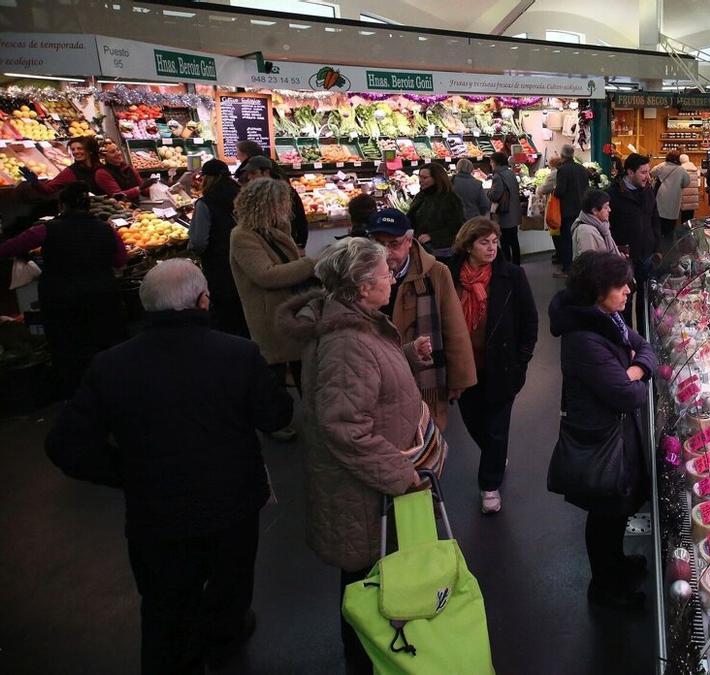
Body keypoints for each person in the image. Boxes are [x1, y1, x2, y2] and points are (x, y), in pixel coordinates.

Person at [45, 259, 293, 675]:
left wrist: (124, 473)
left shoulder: (111, 365)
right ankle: (225, 641)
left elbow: (66, 446)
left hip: (155, 513)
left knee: (164, 608)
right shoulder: (237, 354)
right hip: (231, 503)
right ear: (201, 300)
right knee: (230, 587)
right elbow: (276, 417)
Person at [275, 237, 440, 675]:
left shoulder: (356, 325)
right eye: (385, 273)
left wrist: (406, 356)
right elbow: (343, 426)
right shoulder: (347, 340)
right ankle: (371, 662)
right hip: (364, 497)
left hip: (368, 491)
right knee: (368, 589)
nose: (391, 278)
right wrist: (402, 472)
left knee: (374, 583)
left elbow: (362, 384)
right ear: (362, 287)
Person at [547, 250, 657, 608]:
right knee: (605, 511)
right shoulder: (584, 338)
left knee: (616, 510)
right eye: (619, 285)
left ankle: (617, 564)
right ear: (597, 291)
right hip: (600, 436)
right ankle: (607, 589)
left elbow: (642, 347)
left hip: (613, 429)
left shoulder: (608, 320)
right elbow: (629, 397)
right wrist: (637, 376)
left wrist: (636, 368)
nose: (628, 290)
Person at [0, 182, 126, 394]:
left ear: (61, 206)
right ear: (88, 205)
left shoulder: (44, 230)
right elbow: (120, 260)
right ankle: (108, 389)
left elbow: (7, 249)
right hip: (102, 296)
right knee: (102, 345)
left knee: (68, 351)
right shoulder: (106, 229)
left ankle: (74, 394)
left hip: (61, 300)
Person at [448, 218, 538, 514]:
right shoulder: (449, 276)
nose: (491, 248)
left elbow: (529, 320)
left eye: (495, 241)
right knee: (475, 423)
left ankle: (489, 485)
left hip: (501, 366)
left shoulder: (511, 276)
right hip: (463, 367)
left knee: (496, 427)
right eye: (484, 242)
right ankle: (496, 456)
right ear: (468, 245)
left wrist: (521, 358)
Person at [368, 208, 476, 431]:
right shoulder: (362, 274)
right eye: (378, 243)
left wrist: (459, 378)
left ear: (409, 241)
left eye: (393, 244)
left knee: (424, 436)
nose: (385, 252)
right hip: (378, 378)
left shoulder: (436, 273)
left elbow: (454, 328)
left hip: (423, 377)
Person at [230, 176, 316, 441]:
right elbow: (266, 275)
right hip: (269, 313)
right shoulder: (242, 235)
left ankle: (314, 416)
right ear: (266, 205)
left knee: (305, 365)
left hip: (290, 308)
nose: (285, 209)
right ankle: (275, 423)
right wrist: (312, 263)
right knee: (273, 373)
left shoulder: (275, 227)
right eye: (280, 203)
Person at [189, 159, 249, 338]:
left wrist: (193, 252)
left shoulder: (205, 204)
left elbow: (198, 241)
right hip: (246, 260)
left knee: (225, 317)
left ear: (208, 178)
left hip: (219, 266)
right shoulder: (244, 196)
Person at [607, 152, 660, 330]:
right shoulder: (613, 193)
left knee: (646, 297)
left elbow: (654, 217)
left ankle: (645, 334)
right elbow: (608, 226)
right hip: (625, 255)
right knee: (625, 298)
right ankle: (627, 335)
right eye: (643, 172)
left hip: (646, 252)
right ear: (630, 172)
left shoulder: (648, 190)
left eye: (648, 172)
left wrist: (657, 246)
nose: (648, 176)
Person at [238, 155, 309, 250]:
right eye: (249, 173)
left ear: (266, 172)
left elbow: (300, 219)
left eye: (253, 173)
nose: (250, 177)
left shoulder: (285, 191)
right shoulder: (254, 192)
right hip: (266, 244)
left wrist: (300, 244)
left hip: (286, 244)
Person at [23, 135, 124, 197]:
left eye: (80, 149)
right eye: (73, 149)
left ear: (90, 151)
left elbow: (118, 194)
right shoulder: (71, 171)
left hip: (109, 211)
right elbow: (49, 189)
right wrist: (35, 182)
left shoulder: (100, 170)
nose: (76, 152)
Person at [409, 161, 466, 258]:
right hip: (420, 248)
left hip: (441, 251)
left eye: (425, 177)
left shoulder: (450, 199)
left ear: (437, 179)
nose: (420, 180)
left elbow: (457, 227)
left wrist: (432, 236)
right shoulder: (421, 195)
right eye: (420, 177)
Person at [553, 144, 590, 273]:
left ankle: (567, 267)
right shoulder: (582, 169)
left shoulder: (563, 170)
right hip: (582, 209)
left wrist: (554, 191)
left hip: (567, 210)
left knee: (567, 239)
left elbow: (560, 191)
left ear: (562, 156)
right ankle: (580, 266)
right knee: (579, 239)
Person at [488, 152, 522, 265]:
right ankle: (517, 264)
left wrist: (489, 193)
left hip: (505, 213)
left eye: (492, 162)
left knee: (505, 242)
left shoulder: (498, 176)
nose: (491, 164)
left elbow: (496, 195)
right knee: (514, 240)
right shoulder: (510, 173)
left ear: (496, 163)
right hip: (514, 212)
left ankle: (507, 265)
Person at [651, 151, 691, 238]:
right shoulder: (681, 170)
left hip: (661, 196)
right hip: (674, 198)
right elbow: (687, 182)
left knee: (658, 221)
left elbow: (652, 172)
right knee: (670, 225)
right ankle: (668, 243)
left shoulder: (662, 165)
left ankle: (658, 243)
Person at [537, 156, 566, 276]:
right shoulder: (564, 172)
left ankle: (560, 254)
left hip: (554, 205)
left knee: (555, 231)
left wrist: (538, 189)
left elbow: (544, 189)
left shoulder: (553, 174)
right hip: (563, 206)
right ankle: (560, 254)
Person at [573, 189, 619, 255]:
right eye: (606, 207)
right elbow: (589, 262)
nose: (609, 210)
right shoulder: (586, 232)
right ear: (594, 211)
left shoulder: (601, 226)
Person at [678, 153, 700, 224]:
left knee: (683, 219)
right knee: (690, 218)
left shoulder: (680, 169)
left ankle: (684, 233)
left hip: (684, 197)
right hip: (693, 197)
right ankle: (690, 233)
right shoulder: (695, 169)